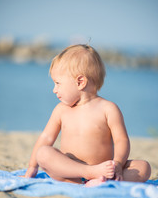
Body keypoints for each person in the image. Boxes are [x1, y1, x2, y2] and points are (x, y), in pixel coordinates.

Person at [23, 44, 151, 187]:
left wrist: (118, 165)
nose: (54, 90)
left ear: (80, 82)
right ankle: (89, 174)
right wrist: (32, 167)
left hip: (104, 169)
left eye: (58, 83)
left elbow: (121, 140)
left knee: (144, 167)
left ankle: (99, 180)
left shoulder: (108, 109)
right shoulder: (61, 110)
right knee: (43, 153)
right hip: (71, 172)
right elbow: (46, 138)